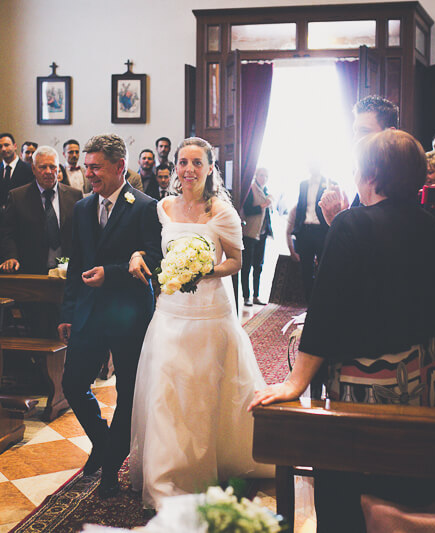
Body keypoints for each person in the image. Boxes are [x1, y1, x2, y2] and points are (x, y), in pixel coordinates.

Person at [251, 130, 435, 531]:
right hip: (423, 379)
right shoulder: (432, 224)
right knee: (402, 485)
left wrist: (295, 380)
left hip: (367, 388)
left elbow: (328, 309)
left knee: (347, 492)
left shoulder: (352, 224)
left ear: (371, 172)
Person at [129, 137, 273, 509]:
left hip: (210, 315)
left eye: (197, 163)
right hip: (169, 312)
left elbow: (236, 262)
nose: (189, 169)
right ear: (175, 168)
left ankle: (210, 461)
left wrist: (206, 269)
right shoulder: (162, 207)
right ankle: (164, 476)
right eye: (183, 162)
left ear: (210, 168)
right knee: (165, 389)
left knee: (207, 392)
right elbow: (146, 245)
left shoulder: (221, 211)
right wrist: (136, 255)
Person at [58, 134, 162, 499]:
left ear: (120, 167)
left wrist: (112, 273)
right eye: (87, 167)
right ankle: (104, 443)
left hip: (130, 312)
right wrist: (68, 311)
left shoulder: (146, 206)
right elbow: (75, 265)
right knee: (72, 383)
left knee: (127, 390)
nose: (89, 174)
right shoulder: (84, 207)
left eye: (96, 167)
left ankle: (110, 468)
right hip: (88, 311)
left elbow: (155, 259)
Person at [0, 146, 81, 274]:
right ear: (33, 169)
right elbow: (8, 233)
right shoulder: (17, 197)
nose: (48, 172)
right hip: (31, 270)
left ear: (59, 168)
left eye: (53, 167)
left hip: (67, 271)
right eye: (43, 167)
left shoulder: (74, 196)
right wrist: (11, 257)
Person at [319, 95, 399, 225]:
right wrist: (342, 217)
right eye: (355, 131)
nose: (356, 139)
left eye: (364, 131)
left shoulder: (399, 179)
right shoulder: (367, 172)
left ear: (390, 134)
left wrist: (337, 223)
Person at [287, 161, 330, 304]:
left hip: (321, 231)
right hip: (305, 231)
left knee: (324, 268)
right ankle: (309, 303)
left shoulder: (329, 183)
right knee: (306, 270)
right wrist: (297, 231)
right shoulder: (303, 184)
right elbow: (301, 206)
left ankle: (322, 302)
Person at [240, 167, 273, 306]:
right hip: (250, 233)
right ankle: (246, 296)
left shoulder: (266, 191)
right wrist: (263, 205)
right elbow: (246, 209)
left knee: (258, 266)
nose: (263, 178)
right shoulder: (251, 189)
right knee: (246, 265)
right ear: (255, 176)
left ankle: (256, 295)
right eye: (261, 175)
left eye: (265, 176)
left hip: (262, 233)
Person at [0, 133, 33, 207]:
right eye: (0, 146)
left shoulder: (29, 170)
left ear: (15, 146)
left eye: (6, 145)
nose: (3, 149)